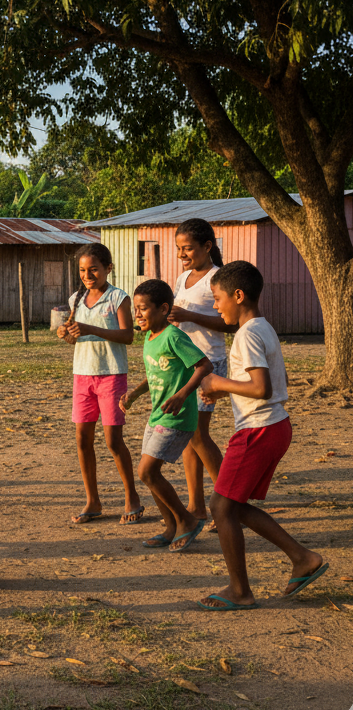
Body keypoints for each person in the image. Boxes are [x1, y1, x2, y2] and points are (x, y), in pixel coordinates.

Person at [196, 261, 327, 610]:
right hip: (273, 425)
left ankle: (240, 591)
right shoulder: (262, 327)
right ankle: (302, 558)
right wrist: (223, 391)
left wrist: (218, 383)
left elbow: (260, 387)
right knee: (234, 506)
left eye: (218, 298)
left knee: (220, 507)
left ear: (238, 296)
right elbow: (258, 385)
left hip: (259, 428)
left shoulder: (248, 334)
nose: (215, 305)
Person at [123, 279, 213, 552]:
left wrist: (183, 394)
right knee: (150, 475)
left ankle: (187, 520)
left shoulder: (174, 336)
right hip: (157, 416)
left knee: (147, 472)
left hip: (177, 416)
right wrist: (135, 393)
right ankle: (171, 526)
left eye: (143, 309)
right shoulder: (151, 338)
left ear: (163, 309)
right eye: (135, 309)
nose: (137, 315)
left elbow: (204, 365)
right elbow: (157, 374)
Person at [57, 243, 143, 526]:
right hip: (82, 375)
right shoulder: (76, 299)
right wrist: (66, 334)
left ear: (108, 268)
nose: (88, 274)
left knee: (112, 440)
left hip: (111, 374)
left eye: (94, 268)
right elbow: (74, 337)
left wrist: (91, 329)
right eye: (82, 270)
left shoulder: (118, 298)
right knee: (82, 439)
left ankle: (132, 496)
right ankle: (92, 500)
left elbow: (128, 335)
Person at [169, 218, 237, 531]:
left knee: (197, 433)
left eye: (189, 248)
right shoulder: (183, 278)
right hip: (185, 363)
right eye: (179, 248)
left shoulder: (217, 277)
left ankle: (231, 501)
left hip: (209, 364)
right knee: (187, 437)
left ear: (207, 246)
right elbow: (182, 320)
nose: (183, 254)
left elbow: (230, 323)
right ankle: (196, 505)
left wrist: (189, 315)